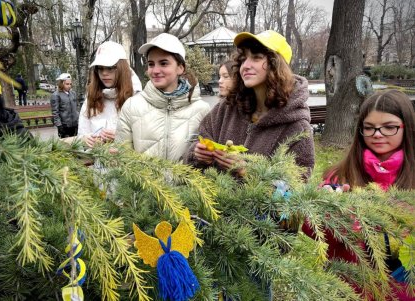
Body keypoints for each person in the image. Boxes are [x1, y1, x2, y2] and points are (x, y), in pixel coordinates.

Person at [302, 90, 415, 300]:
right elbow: (312, 228)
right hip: (351, 291)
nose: (377, 134)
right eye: (369, 128)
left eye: (389, 127)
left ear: (406, 127)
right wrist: (328, 211)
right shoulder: (341, 176)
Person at [184, 30, 314, 178]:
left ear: (277, 65)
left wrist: (249, 173)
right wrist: (197, 154)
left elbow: (298, 186)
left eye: (256, 58)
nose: (245, 65)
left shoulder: (297, 126)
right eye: (244, 58)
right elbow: (195, 146)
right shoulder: (226, 108)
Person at [116, 33, 211, 161]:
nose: (155, 70)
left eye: (163, 63)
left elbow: (208, 164)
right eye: (151, 64)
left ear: (180, 68)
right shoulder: (132, 106)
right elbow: (122, 160)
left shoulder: (202, 110)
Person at [78, 41, 142, 148]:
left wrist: (121, 138)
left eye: (110, 67)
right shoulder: (91, 98)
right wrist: (83, 140)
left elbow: (145, 142)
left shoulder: (137, 99)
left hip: (128, 163)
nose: (104, 73)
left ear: (122, 68)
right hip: (96, 161)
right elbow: (81, 133)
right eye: (100, 68)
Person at [50, 73, 79, 138]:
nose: (69, 86)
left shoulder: (73, 93)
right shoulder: (56, 95)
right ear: (61, 83)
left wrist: (78, 120)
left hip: (74, 125)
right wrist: (59, 125)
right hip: (64, 126)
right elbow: (55, 112)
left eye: (70, 84)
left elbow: (76, 108)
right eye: (67, 84)